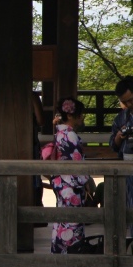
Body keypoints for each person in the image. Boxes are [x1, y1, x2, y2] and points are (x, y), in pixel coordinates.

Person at [51, 97, 92, 254]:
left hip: (62, 182)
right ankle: (71, 255)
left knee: (63, 221)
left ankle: (60, 253)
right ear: (70, 116)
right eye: (80, 114)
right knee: (72, 222)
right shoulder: (69, 135)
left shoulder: (60, 133)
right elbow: (76, 164)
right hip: (71, 185)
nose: (82, 118)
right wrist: (86, 181)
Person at [110, 76, 133, 234]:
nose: (129, 104)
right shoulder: (121, 118)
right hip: (126, 167)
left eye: (131, 100)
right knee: (129, 208)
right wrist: (119, 137)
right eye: (126, 102)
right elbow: (113, 145)